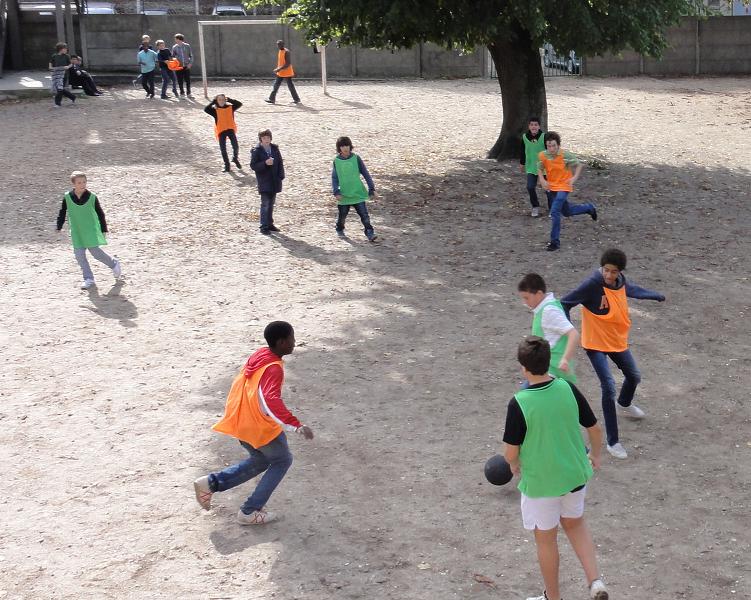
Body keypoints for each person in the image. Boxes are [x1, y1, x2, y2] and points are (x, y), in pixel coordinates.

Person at [503, 337, 609, 600]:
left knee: (546, 540)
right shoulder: (567, 389)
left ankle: (553, 598)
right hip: (574, 475)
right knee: (575, 525)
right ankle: (595, 582)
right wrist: (595, 455)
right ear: (548, 360)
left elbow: (510, 452)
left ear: (523, 367)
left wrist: (514, 465)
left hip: (541, 484)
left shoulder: (520, 402)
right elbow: (594, 428)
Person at [193, 321, 314, 525]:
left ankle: (211, 483)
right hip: (260, 427)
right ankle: (250, 511)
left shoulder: (260, 355)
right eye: (292, 338)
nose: (294, 342)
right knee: (282, 460)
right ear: (282, 342)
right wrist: (295, 425)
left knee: (260, 461)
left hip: (242, 421)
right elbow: (270, 400)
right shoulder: (274, 368)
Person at [561, 248, 666, 460]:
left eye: (614, 272)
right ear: (602, 268)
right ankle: (613, 442)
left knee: (634, 376)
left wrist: (654, 295)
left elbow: (633, 289)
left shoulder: (620, 282)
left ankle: (624, 404)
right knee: (608, 386)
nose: (609, 275)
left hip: (615, 341)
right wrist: (568, 330)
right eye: (606, 270)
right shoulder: (592, 284)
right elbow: (565, 302)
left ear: (620, 272)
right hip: (595, 343)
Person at [56, 171, 122, 289]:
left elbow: (100, 213)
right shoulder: (67, 197)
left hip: (90, 230)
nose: (82, 184)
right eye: (79, 182)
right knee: (79, 255)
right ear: (74, 184)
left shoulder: (92, 197)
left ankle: (113, 263)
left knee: (96, 253)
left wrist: (104, 228)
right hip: (77, 231)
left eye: (84, 182)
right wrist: (59, 226)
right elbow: (62, 212)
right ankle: (88, 278)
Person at [537, 132, 597, 251]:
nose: (551, 148)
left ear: (558, 145)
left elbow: (579, 165)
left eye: (554, 145)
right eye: (549, 146)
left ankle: (555, 242)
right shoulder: (543, 155)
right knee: (567, 211)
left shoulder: (566, 155)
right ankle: (589, 208)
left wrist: (574, 178)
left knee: (555, 212)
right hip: (551, 187)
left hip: (564, 186)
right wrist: (542, 180)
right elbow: (539, 167)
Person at [518, 273, 579, 383]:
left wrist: (565, 359)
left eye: (527, 298)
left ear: (539, 293)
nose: (525, 302)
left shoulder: (549, 311)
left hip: (553, 372)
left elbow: (573, 334)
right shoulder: (546, 308)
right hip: (545, 370)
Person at [332, 136, 377, 242]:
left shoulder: (356, 158)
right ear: (339, 148)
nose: (345, 148)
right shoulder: (336, 161)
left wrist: (371, 188)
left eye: (347, 145)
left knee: (364, 216)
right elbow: (334, 177)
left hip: (357, 193)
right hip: (344, 194)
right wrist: (336, 191)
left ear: (350, 146)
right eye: (342, 146)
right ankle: (339, 228)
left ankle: (370, 233)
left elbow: (365, 173)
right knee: (342, 215)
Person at [250, 129, 285, 234]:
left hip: (274, 180)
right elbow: (253, 165)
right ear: (260, 139)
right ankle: (263, 226)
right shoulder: (257, 151)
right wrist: (264, 163)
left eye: (268, 138)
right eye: (264, 138)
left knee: (272, 202)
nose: (266, 140)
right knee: (265, 203)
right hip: (264, 181)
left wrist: (281, 176)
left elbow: (280, 163)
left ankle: (270, 223)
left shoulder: (274, 149)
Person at [204, 94, 243, 172]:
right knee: (223, 148)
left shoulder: (230, 108)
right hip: (221, 130)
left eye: (223, 99)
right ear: (217, 101)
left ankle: (235, 158)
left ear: (225, 100)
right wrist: (213, 102)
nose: (221, 101)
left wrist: (230, 99)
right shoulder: (215, 110)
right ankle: (227, 165)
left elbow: (239, 104)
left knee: (235, 146)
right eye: (219, 100)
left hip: (230, 129)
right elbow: (206, 109)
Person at [519, 117, 547, 217]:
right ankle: (535, 206)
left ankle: (553, 208)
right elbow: (523, 151)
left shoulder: (544, 137)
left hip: (544, 168)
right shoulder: (525, 137)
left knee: (548, 189)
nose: (533, 127)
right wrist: (522, 163)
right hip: (531, 167)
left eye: (536, 125)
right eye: (531, 125)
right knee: (530, 187)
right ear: (529, 126)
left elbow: (549, 151)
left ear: (539, 126)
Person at [264, 40, 300, 104]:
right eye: (277, 44)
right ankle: (272, 99)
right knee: (276, 85)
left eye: (280, 44)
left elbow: (288, 64)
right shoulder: (280, 51)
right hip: (281, 72)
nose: (278, 46)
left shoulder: (287, 52)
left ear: (283, 44)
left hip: (287, 72)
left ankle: (296, 99)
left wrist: (278, 69)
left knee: (290, 86)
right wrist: (279, 69)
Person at [48, 42, 76, 107]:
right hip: (56, 75)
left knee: (60, 89)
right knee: (60, 89)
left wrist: (68, 67)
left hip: (64, 75)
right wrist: (51, 69)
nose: (66, 50)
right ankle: (72, 97)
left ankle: (57, 103)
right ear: (61, 49)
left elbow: (71, 64)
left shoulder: (67, 56)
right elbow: (50, 64)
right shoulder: (54, 56)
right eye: (65, 48)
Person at [171, 33, 193, 98]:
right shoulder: (174, 47)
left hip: (186, 66)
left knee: (188, 80)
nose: (175, 40)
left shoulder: (187, 46)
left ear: (180, 39)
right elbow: (173, 56)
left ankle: (189, 93)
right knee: (180, 80)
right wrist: (174, 60)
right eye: (175, 39)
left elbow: (191, 55)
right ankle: (182, 93)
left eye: (176, 39)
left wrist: (190, 63)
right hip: (179, 67)